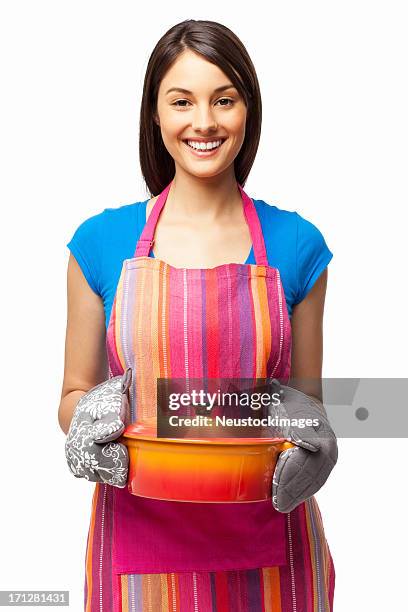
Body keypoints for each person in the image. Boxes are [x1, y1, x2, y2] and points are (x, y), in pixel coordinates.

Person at [59, 19, 337, 611]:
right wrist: (84, 418)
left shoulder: (297, 245)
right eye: (181, 101)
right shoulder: (100, 243)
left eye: (224, 100)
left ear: (248, 112)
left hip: (272, 555)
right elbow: (72, 395)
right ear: (155, 115)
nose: (204, 122)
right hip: (138, 557)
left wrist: (321, 439)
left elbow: (308, 404)